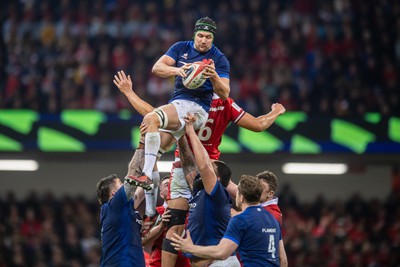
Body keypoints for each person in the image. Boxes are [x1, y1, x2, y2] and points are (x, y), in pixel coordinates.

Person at [113, 68, 285, 266]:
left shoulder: (186, 103)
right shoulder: (226, 104)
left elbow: (152, 114)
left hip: (184, 165)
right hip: (211, 172)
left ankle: (152, 212)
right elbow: (258, 124)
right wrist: (275, 112)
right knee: (222, 218)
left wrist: (129, 92)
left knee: (175, 223)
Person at [126, 18, 231, 249]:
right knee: (150, 143)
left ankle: (143, 176)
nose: (204, 41)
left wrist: (212, 76)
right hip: (178, 104)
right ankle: (151, 211)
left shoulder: (219, 59)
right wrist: (180, 70)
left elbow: (224, 93)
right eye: (201, 36)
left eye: (208, 37)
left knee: (151, 118)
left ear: (213, 39)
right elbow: (157, 68)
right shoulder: (181, 48)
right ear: (195, 35)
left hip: (196, 110)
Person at [170, 175, 285, 267]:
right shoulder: (272, 219)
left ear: (241, 197)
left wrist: (190, 248)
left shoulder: (240, 219)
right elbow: (282, 259)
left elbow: (222, 253)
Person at [96, 173, 145, 267]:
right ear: (114, 193)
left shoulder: (125, 208)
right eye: (121, 183)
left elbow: (143, 189)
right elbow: (133, 174)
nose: (124, 185)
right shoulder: (113, 206)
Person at [141, 176, 191, 267]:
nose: (171, 187)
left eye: (173, 184)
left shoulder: (190, 212)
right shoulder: (154, 213)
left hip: (184, 263)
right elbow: (143, 241)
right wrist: (161, 226)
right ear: (161, 194)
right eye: (167, 185)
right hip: (158, 263)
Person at [257, 170, 288, 267]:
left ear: (270, 193)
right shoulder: (263, 208)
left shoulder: (271, 213)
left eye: (260, 187)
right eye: (255, 186)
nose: (255, 190)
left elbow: (239, 216)